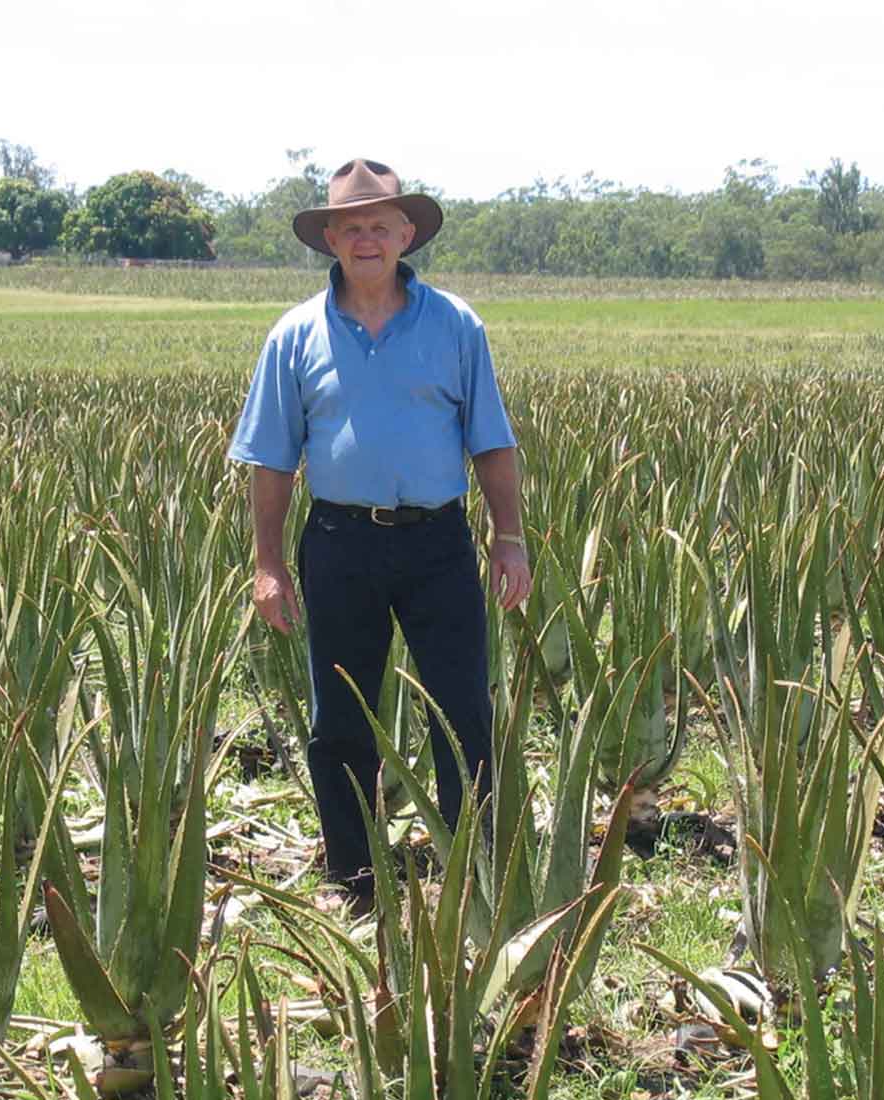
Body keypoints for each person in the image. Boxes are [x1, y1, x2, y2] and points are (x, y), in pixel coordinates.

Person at [228, 158, 531, 910]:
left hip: (437, 544)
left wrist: (509, 536)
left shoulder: (456, 324)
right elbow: (271, 460)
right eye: (351, 226)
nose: (367, 239)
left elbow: (490, 441)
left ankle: (475, 874)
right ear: (330, 238)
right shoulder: (293, 336)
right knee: (340, 716)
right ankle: (357, 882)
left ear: (406, 233)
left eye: (380, 226)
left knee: (462, 709)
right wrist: (268, 564)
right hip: (338, 543)